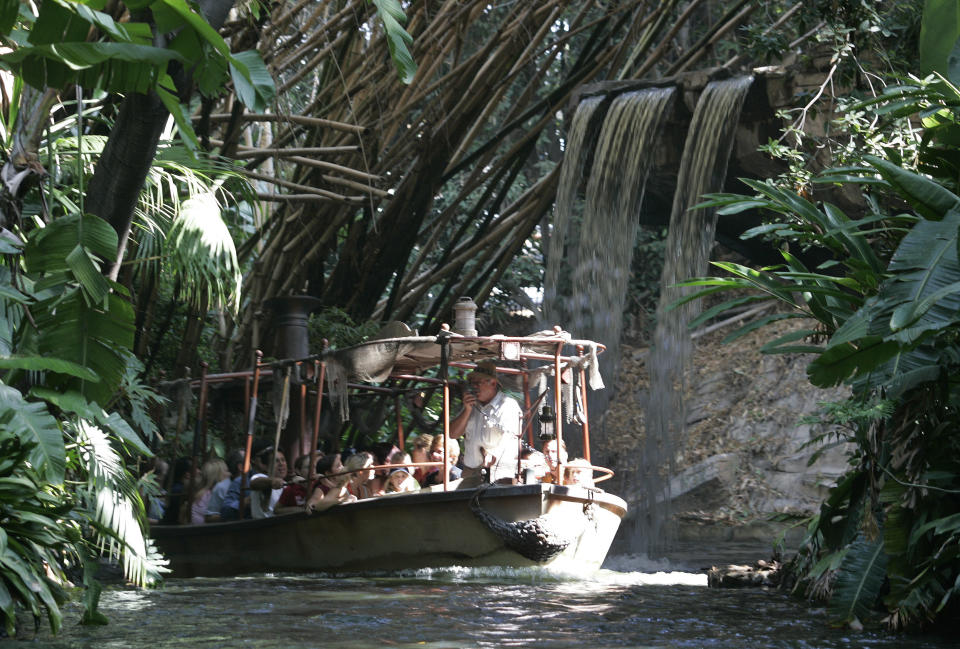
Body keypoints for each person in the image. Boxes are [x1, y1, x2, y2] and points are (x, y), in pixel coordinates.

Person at [449, 359, 522, 483]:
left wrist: (493, 454)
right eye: (472, 383)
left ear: (493, 383)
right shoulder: (471, 404)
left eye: (478, 382)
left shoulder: (507, 405)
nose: (474, 386)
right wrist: (467, 410)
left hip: (499, 473)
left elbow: (511, 440)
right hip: (470, 472)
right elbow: (452, 434)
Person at [249, 446, 287, 518]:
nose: (281, 464)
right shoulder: (261, 478)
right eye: (276, 461)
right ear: (265, 466)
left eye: (283, 460)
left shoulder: (286, 485)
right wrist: (271, 481)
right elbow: (254, 483)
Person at [205, 449, 243, 522]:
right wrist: (228, 514)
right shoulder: (221, 487)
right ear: (240, 467)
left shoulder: (253, 481)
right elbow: (209, 517)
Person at [190, 458, 229, 524]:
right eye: (226, 471)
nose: (229, 474)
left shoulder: (202, 493)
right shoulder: (207, 495)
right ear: (218, 475)